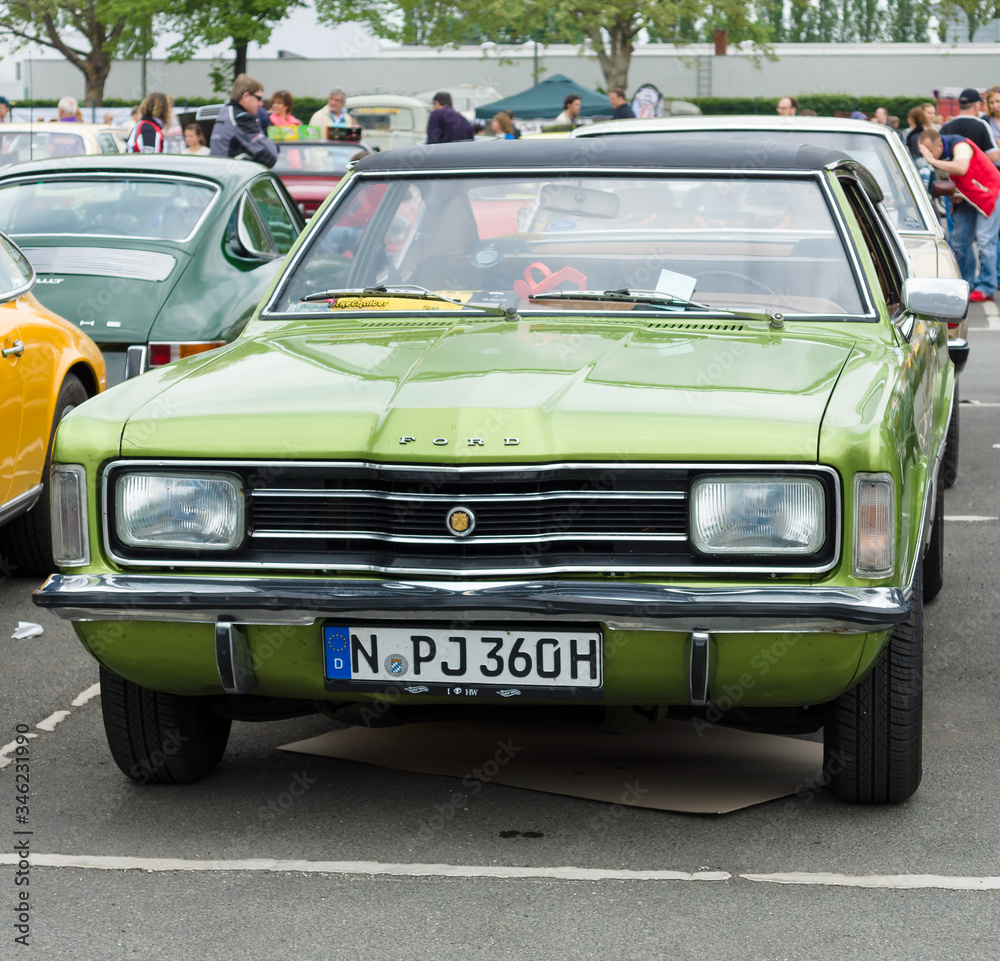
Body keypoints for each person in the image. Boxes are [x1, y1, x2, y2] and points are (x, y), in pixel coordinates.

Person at [919, 126, 1000, 302]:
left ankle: (986, 286)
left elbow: (961, 168)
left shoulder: (960, 145)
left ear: (940, 145)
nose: (929, 156)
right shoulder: (938, 156)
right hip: (967, 197)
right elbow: (946, 178)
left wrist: (931, 160)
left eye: (930, 151)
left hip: (989, 192)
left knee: (985, 241)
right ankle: (965, 284)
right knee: (958, 241)